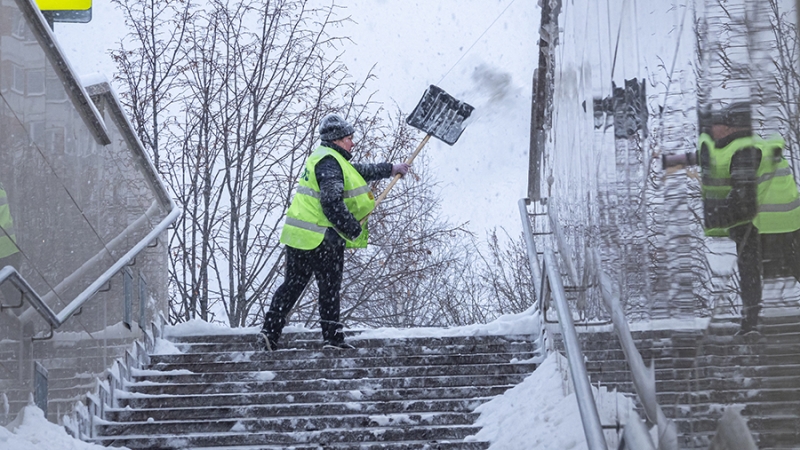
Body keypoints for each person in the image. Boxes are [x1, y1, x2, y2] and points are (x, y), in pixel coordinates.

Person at [258, 113, 409, 350]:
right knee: (329, 290)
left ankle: (269, 333)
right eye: (349, 138)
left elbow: (358, 171)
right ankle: (332, 339)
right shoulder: (330, 162)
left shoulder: (327, 158)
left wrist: (390, 169)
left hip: (300, 237)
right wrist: (351, 228)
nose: (353, 142)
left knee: (292, 286)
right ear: (337, 139)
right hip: (323, 239)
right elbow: (331, 202)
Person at [698, 102, 800, 334]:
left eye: (717, 123)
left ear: (731, 128)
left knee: (750, 272)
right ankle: (751, 322)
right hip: (786, 219)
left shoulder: (743, 151)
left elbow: (741, 202)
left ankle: (751, 324)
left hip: (764, 221)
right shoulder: (747, 146)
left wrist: (711, 217)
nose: (712, 129)